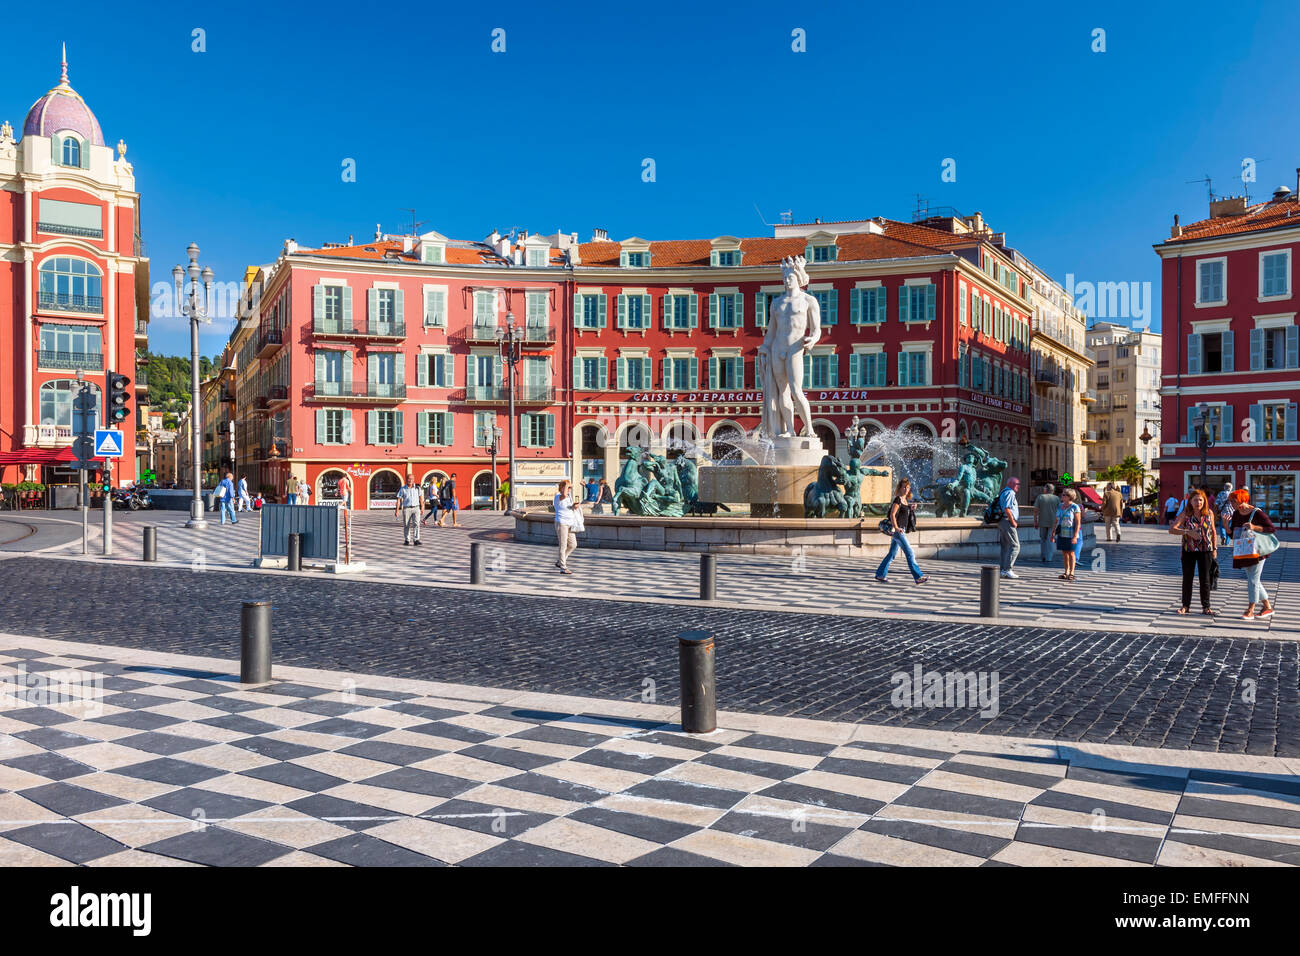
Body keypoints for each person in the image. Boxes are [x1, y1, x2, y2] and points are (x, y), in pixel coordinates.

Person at [1169, 487, 1217, 616]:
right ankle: (1185, 606)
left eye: (1201, 500)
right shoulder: (1186, 513)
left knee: (1205, 579)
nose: (1198, 503)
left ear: (1204, 501)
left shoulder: (1209, 513)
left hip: (1205, 550)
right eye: (1195, 500)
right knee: (1187, 578)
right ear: (1190, 501)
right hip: (1188, 550)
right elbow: (1172, 529)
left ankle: (1206, 607)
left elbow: (1213, 531)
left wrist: (1215, 548)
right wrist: (1187, 532)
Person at [1229, 488, 1275, 620]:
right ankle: (1267, 607)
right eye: (1231, 501)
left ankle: (1251, 609)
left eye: (1234, 501)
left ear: (1242, 500)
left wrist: (1254, 527)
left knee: (1253, 580)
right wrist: (1227, 526)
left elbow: (1271, 529)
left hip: (1258, 551)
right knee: (1253, 580)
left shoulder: (1257, 513)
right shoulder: (1236, 514)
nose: (1232, 504)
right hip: (1244, 550)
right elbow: (1233, 534)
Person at [874, 478, 929, 584]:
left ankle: (880, 574)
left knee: (892, 554)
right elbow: (892, 514)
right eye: (903, 487)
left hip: (900, 529)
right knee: (910, 553)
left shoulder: (905, 500)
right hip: (898, 531)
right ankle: (918, 576)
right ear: (899, 488)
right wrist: (896, 527)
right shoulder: (898, 499)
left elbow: (904, 513)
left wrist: (911, 507)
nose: (905, 489)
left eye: (907, 487)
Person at [1051, 488, 1083, 582]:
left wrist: (1075, 536)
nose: (1062, 496)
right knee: (1064, 553)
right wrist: (1053, 532)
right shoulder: (1060, 506)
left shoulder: (1075, 507)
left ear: (1070, 497)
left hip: (1071, 534)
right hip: (1062, 533)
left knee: (1071, 553)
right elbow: (1056, 520)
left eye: (1064, 495)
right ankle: (1066, 572)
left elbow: (1078, 523)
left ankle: (1072, 572)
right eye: (1062, 494)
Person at [998, 476, 1022, 579]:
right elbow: (1007, 509)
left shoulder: (1004, 492)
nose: (1019, 486)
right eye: (1018, 484)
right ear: (1012, 484)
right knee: (1015, 546)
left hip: (1002, 521)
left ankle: (1003, 570)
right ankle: (1008, 569)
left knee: (1006, 546)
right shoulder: (1010, 493)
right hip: (1007, 521)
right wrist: (1013, 521)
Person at [554, 479, 579, 574]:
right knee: (563, 545)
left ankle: (560, 561)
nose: (569, 489)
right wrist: (567, 484)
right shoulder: (558, 496)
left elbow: (569, 507)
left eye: (569, 488)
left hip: (570, 523)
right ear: (562, 488)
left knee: (573, 544)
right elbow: (563, 495)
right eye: (568, 488)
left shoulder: (569, 497)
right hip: (561, 523)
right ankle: (563, 567)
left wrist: (575, 506)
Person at [1032, 483, 1060, 563]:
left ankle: (1043, 556)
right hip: (1053, 522)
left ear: (1045, 489)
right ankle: (1049, 557)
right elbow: (1059, 511)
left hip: (1042, 521)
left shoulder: (1040, 497)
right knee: (1050, 539)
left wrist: (1035, 521)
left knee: (1043, 539)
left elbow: (1035, 510)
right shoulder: (1057, 498)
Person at [395, 474, 422, 546]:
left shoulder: (417, 488)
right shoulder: (403, 489)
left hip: (416, 508)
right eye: (409, 479)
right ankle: (407, 540)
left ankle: (416, 540)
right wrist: (397, 510)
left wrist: (422, 508)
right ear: (406, 480)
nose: (410, 480)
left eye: (412, 479)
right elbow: (399, 500)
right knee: (406, 524)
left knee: (416, 524)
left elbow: (421, 498)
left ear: (414, 480)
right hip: (407, 508)